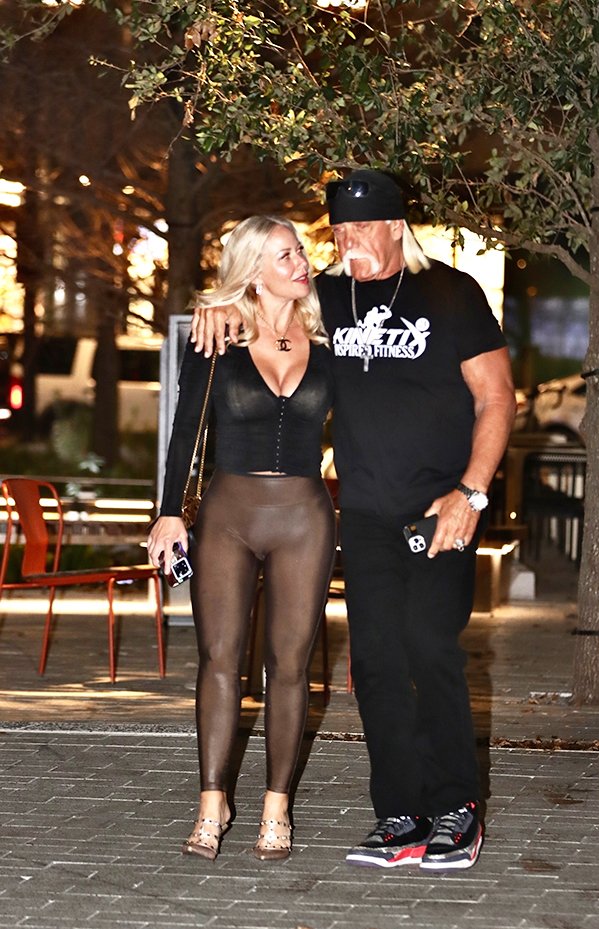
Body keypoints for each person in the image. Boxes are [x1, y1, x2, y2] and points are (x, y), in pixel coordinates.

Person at [191, 170, 516, 871]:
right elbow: (259, 299)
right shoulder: (328, 296)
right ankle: (400, 812)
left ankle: (457, 806)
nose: (348, 242)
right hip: (364, 513)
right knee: (373, 661)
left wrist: (471, 492)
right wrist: (214, 310)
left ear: (397, 226)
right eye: (338, 231)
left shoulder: (453, 293)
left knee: (429, 644)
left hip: (442, 507)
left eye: (363, 227)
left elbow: (496, 398)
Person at [148, 215, 336, 863]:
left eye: (301, 251)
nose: (301, 262)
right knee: (219, 659)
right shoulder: (217, 335)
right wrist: (169, 513)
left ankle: (276, 806)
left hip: (304, 519)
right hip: (227, 514)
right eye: (285, 255)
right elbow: (186, 429)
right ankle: (211, 802)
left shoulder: (329, 336)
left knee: (290, 666)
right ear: (255, 270)